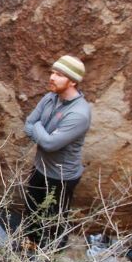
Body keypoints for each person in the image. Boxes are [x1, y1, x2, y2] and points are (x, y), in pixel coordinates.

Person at [23, 55, 92, 247]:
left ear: (73, 81)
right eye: (52, 72)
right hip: (40, 168)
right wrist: (41, 131)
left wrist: (38, 127)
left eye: (59, 74)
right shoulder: (50, 98)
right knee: (32, 211)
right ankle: (32, 246)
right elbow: (28, 124)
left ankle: (53, 253)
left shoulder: (79, 113)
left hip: (61, 176)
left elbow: (50, 145)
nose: (52, 77)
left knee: (54, 219)